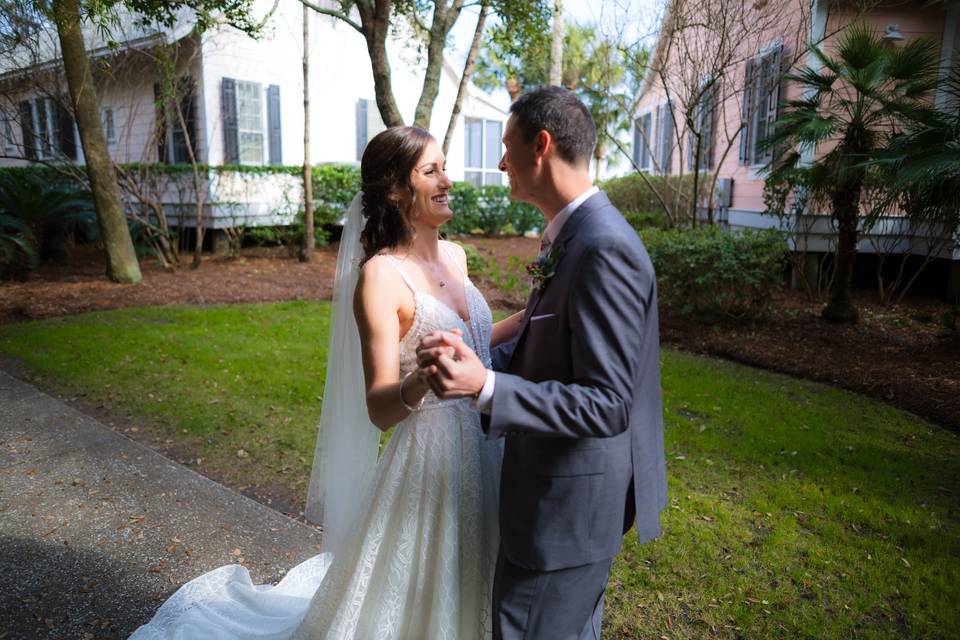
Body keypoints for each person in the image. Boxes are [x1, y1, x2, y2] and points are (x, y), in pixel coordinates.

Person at [130, 126, 523, 639]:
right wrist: (423, 380)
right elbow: (380, 407)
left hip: (482, 441)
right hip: (429, 456)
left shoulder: (456, 257)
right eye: (431, 171)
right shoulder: (381, 278)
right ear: (396, 192)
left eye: (444, 167)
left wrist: (533, 313)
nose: (448, 179)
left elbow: (471, 339)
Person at [416, 86, 668, 640]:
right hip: (559, 503)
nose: (501, 161)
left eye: (508, 147)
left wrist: (486, 388)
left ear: (542, 146)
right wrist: (476, 358)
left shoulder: (604, 248)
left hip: (566, 512)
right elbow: (546, 340)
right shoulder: (571, 237)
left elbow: (609, 404)